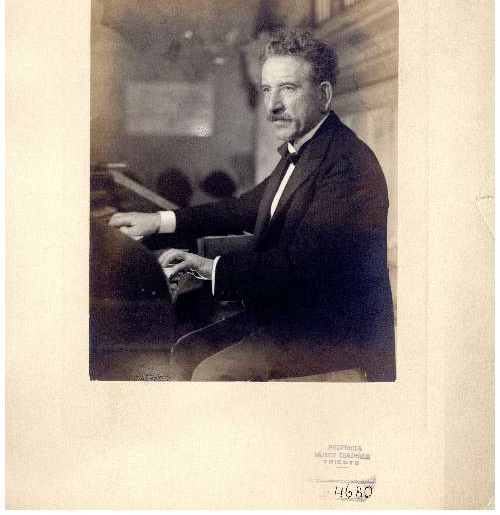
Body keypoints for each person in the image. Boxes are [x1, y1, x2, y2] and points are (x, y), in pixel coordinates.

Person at [109, 28, 396, 381]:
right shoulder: (304, 148)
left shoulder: (347, 162)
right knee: (187, 351)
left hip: (336, 329)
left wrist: (209, 267)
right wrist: (158, 220)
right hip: (292, 313)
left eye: (288, 88)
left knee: (213, 372)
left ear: (323, 95)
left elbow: (302, 266)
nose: (273, 105)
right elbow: (243, 208)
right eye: (266, 89)